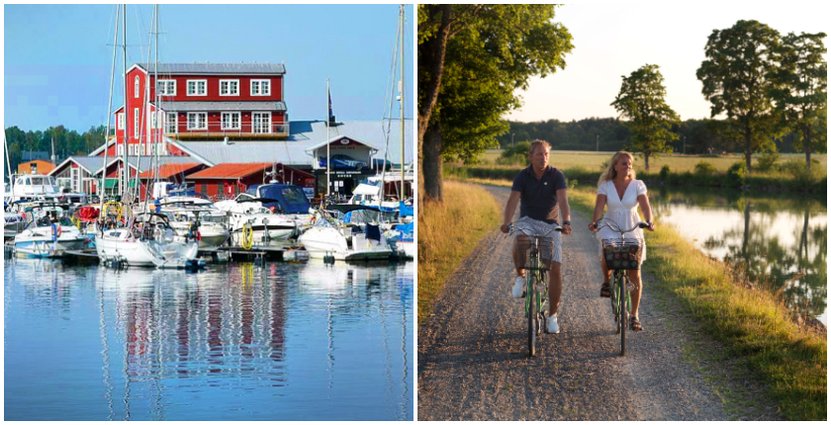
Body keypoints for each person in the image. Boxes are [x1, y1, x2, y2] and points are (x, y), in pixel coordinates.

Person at [500, 139, 572, 334]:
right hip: (528, 221)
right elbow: (513, 200)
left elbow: (563, 200)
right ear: (531, 156)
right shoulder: (522, 176)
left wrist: (566, 221)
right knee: (519, 238)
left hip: (550, 225)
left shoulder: (556, 175)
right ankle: (520, 276)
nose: (543, 158)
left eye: (546, 154)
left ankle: (552, 316)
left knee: (555, 267)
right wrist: (506, 222)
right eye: (539, 154)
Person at [588, 151, 654, 331]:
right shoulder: (606, 185)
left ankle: (634, 315)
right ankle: (606, 281)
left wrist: (649, 221)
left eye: (630, 164)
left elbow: (646, 206)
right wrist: (595, 222)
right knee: (607, 252)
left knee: (635, 271)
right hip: (610, 225)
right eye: (624, 163)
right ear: (615, 166)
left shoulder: (638, 185)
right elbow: (599, 206)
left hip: (632, 226)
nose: (628, 166)